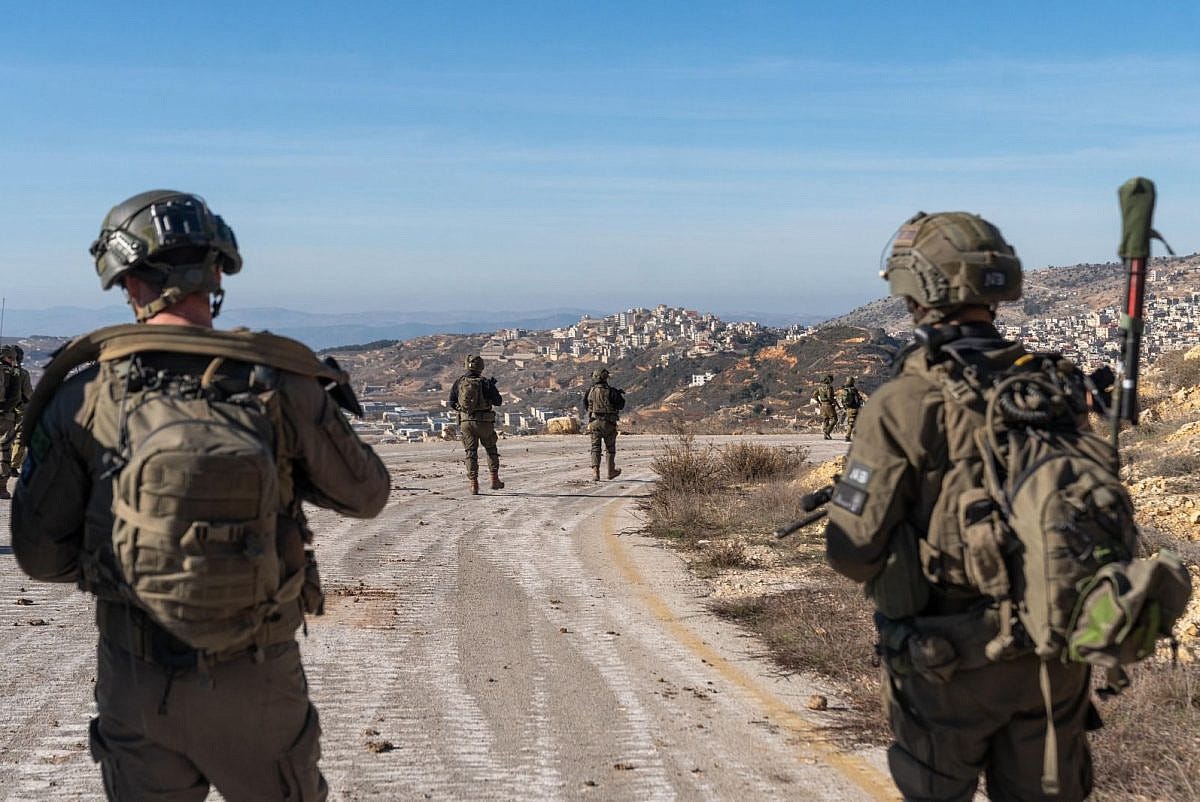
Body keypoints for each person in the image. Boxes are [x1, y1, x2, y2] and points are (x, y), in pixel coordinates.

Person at [11, 189, 390, 801]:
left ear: (128, 281)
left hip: (136, 677)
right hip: (258, 676)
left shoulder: (84, 390)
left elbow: (39, 556)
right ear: (217, 274)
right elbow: (367, 495)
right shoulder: (280, 378)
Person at [823, 211, 1096, 801]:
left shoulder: (905, 400)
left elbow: (853, 550)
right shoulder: (1051, 385)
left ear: (918, 287)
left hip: (949, 662)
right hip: (1056, 654)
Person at [449, 354, 504, 494]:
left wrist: (464, 411)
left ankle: (473, 484)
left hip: (466, 422)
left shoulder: (460, 382)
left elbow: (452, 402)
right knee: (491, 449)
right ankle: (494, 480)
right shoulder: (485, 382)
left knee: (470, 452)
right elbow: (498, 401)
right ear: (481, 367)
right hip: (484, 422)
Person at [0, 344, 32, 499]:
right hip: (12, 413)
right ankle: (6, 478)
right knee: (9, 444)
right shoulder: (20, 373)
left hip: (10, 412)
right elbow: (26, 394)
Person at [584, 367, 625, 480]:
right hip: (609, 423)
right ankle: (611, 471)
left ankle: (595, 472)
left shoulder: (590, 391)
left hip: (594, 423)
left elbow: (586, 406)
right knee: (610, 448)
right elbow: (621, 405)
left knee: (595, 447)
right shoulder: (611, 391)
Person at [812, 374, 839, 439]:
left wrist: (819, 402)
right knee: (835, 419)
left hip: (822, 406)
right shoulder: (829, 387)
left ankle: (826, 435)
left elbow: (814, 396)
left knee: (826, 420)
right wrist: (834, 401)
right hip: (828, 405)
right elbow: (829, 397)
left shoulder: (820, 388)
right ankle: (827, 432)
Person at [835, 376, 863, 442]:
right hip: (854, 408)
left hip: (848, 409)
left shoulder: (844, 390)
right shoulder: (853, 390)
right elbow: (858, 399)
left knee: (851, 422)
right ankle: (848, 436)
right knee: (853, 423)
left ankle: (851, 436)